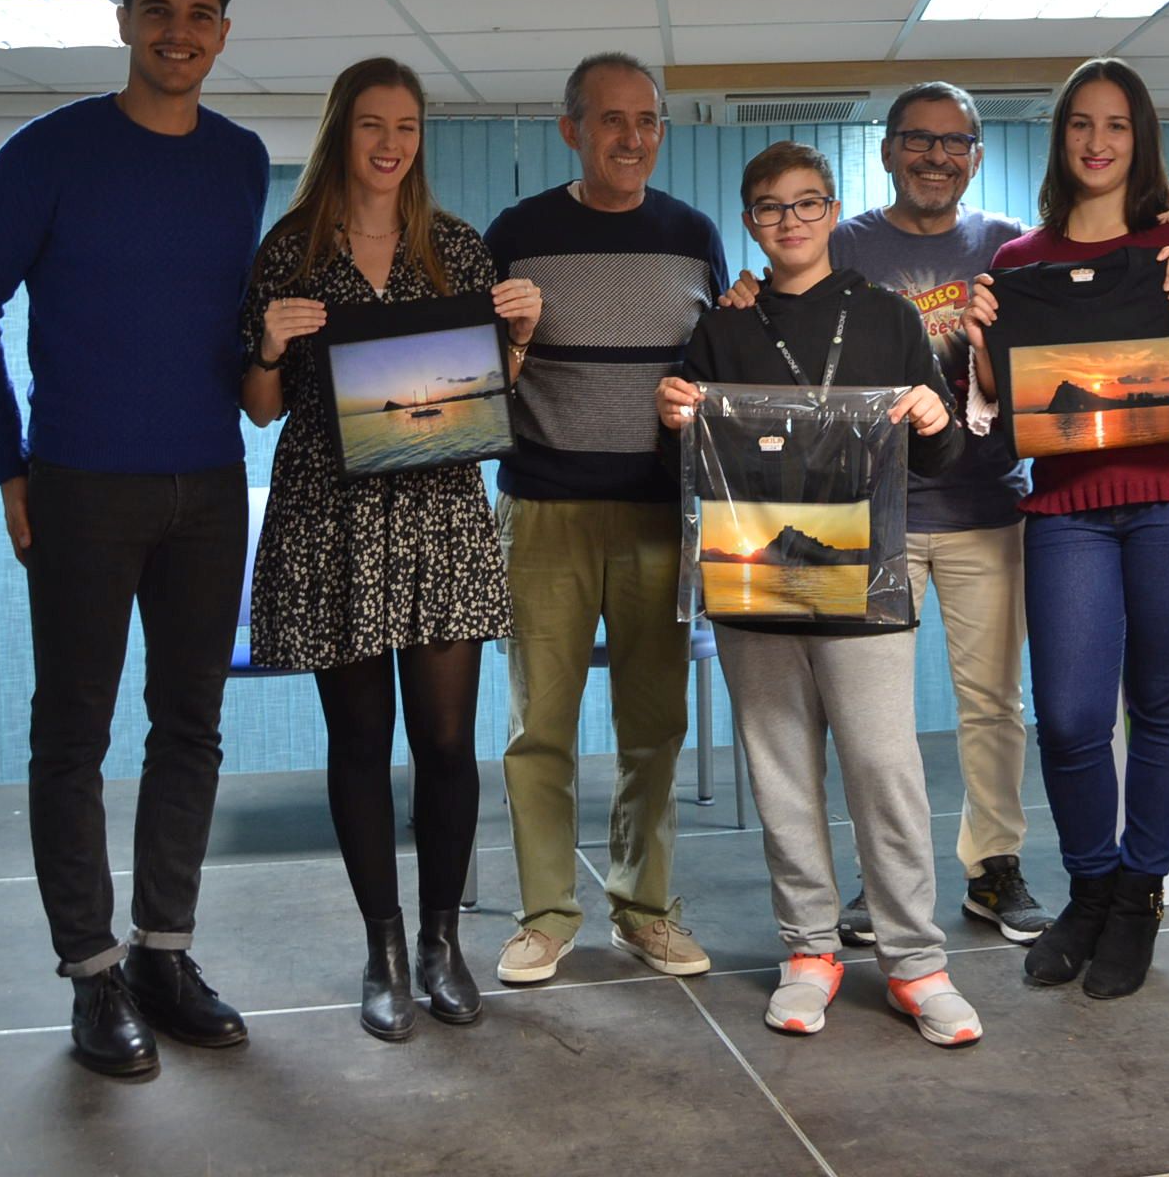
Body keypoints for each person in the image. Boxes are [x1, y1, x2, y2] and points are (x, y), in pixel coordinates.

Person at [720, 84, 1169, 950]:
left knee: (993, 702)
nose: (936, 157)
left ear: (977, 156)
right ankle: (884, 879)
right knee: (878, 717)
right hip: (877, 516)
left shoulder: (1009, 246)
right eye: (917, 140)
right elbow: (787, 288)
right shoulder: (845, 239)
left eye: (955, 143)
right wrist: (746, 294)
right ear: (886, 152)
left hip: (991, 501)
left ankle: (994, 866)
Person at [0, 0, 267, 1077]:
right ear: (125, 21)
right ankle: (92, 976)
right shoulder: (51, 152)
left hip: (210, 482)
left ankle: (164, 952)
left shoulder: (240, 159)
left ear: (225, 32)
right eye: (158, 10)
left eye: (201, 14)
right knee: (71, 736)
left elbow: (233, 323)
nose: (180, 32)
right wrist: (10, 466)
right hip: (79, 485)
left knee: (191, 727)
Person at [238, 58, 541, 1042]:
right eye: (372, 124)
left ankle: (444, 939)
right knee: (360, 744)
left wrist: (522, 340)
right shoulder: (291, 250)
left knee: (446, 743)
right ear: (342, 133)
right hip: (331, 517)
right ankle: (383, 949)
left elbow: (489, 388)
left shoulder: (457, 247)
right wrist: (269, 347)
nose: (390, 143)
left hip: (441, 513)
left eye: (406, 126)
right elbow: (259, 410)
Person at [657, 142, 982, 1047]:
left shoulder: (885, 317)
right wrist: (672, 417)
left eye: (806, 205)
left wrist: (934, 415)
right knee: (781, 771)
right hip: (752, 576)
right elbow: (684, 466)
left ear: (833, 210)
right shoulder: (724, 327)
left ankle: (917, 963)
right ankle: (810, 951)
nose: (790, 223)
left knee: (884, 767)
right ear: (750, 223)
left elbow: (946, 453)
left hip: (865, 576)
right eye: (769, 209)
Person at [967, 57, 1169, 1000]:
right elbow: (1007, 415)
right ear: (1060, 141)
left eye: (1117, 126)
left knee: (1166, 703)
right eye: (1079, 125)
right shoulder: (1017, 265)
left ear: (1141, 141)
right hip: (1069, 508)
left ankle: (1138, 893)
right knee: (1068, 717)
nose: (1097, 143)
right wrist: (980, 355)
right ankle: (1090, 888)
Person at [485, 52, 727, 986]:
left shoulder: (693, 234)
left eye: (649, 121)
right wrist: (510, 339)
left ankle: (644, 907)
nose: (633, 138)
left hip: (659, 516)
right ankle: (546, 913)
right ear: (571, 130)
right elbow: (479, 375)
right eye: (612, 120)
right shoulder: (517, 232)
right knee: (538, 725)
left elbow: (713, 365)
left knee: (653, 724)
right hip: (543, 511)